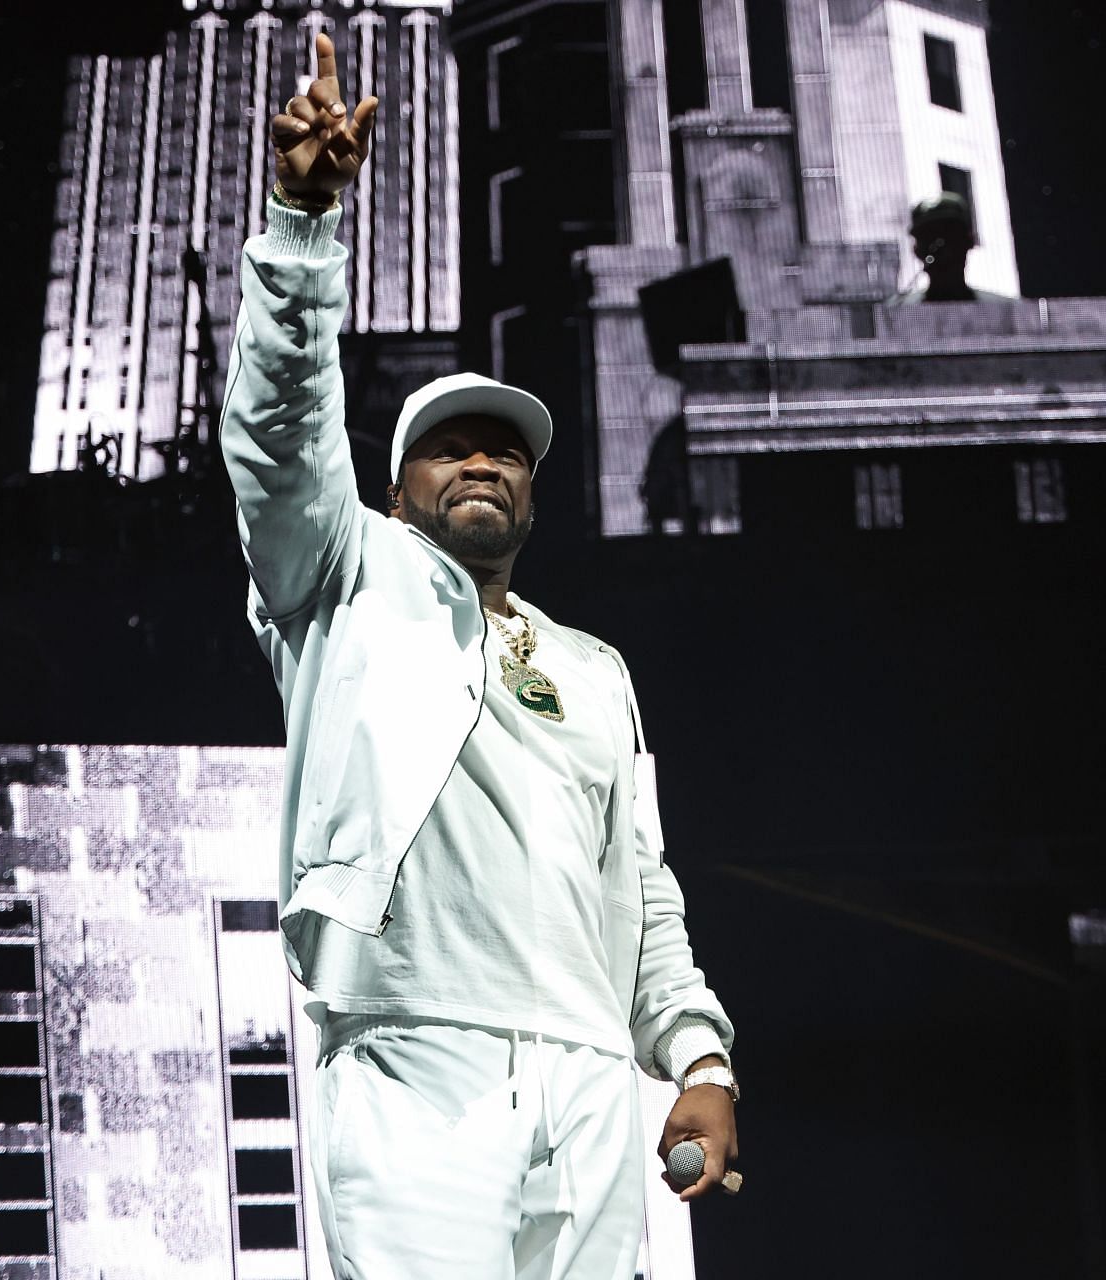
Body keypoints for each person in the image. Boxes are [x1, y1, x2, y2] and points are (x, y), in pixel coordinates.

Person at [218, 34, 740, 1280]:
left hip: (591, 1075)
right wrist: (300, 224)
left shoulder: (598, 668)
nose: (482, 462)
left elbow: (643, 885)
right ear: (397, 493)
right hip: (415, 1058)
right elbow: (283, 439)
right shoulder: (344, 582)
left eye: (504, 450)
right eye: (449, 447)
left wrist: (700, 1059)